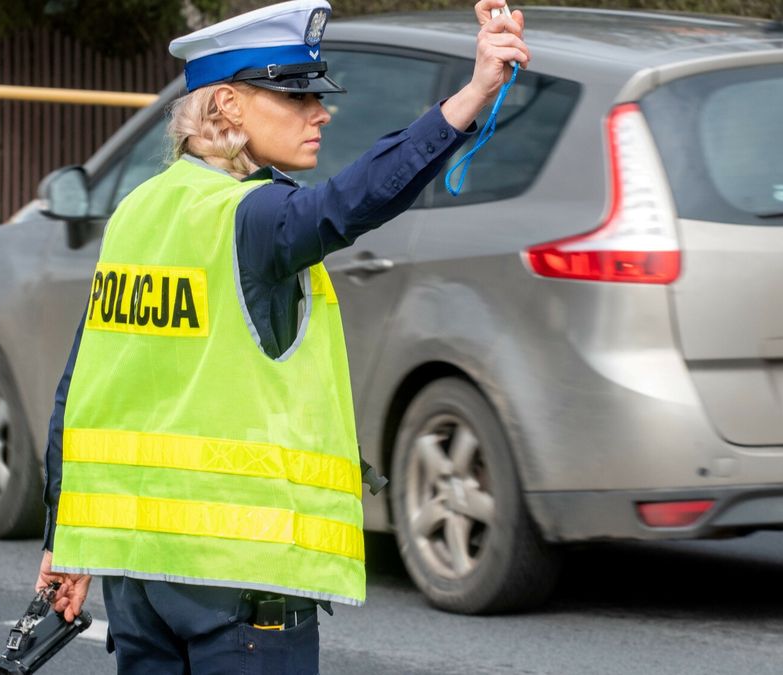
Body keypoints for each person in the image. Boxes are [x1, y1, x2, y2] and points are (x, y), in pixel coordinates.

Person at [32, 0, 529, 672]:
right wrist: (475, 93)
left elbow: (81, 388)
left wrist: (64, 542)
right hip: (238, 590)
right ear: (228, 107)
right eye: (295, 97)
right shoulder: (254, 217)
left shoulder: (137, 212)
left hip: (140, 581)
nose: (320, 113)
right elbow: (354, 200)